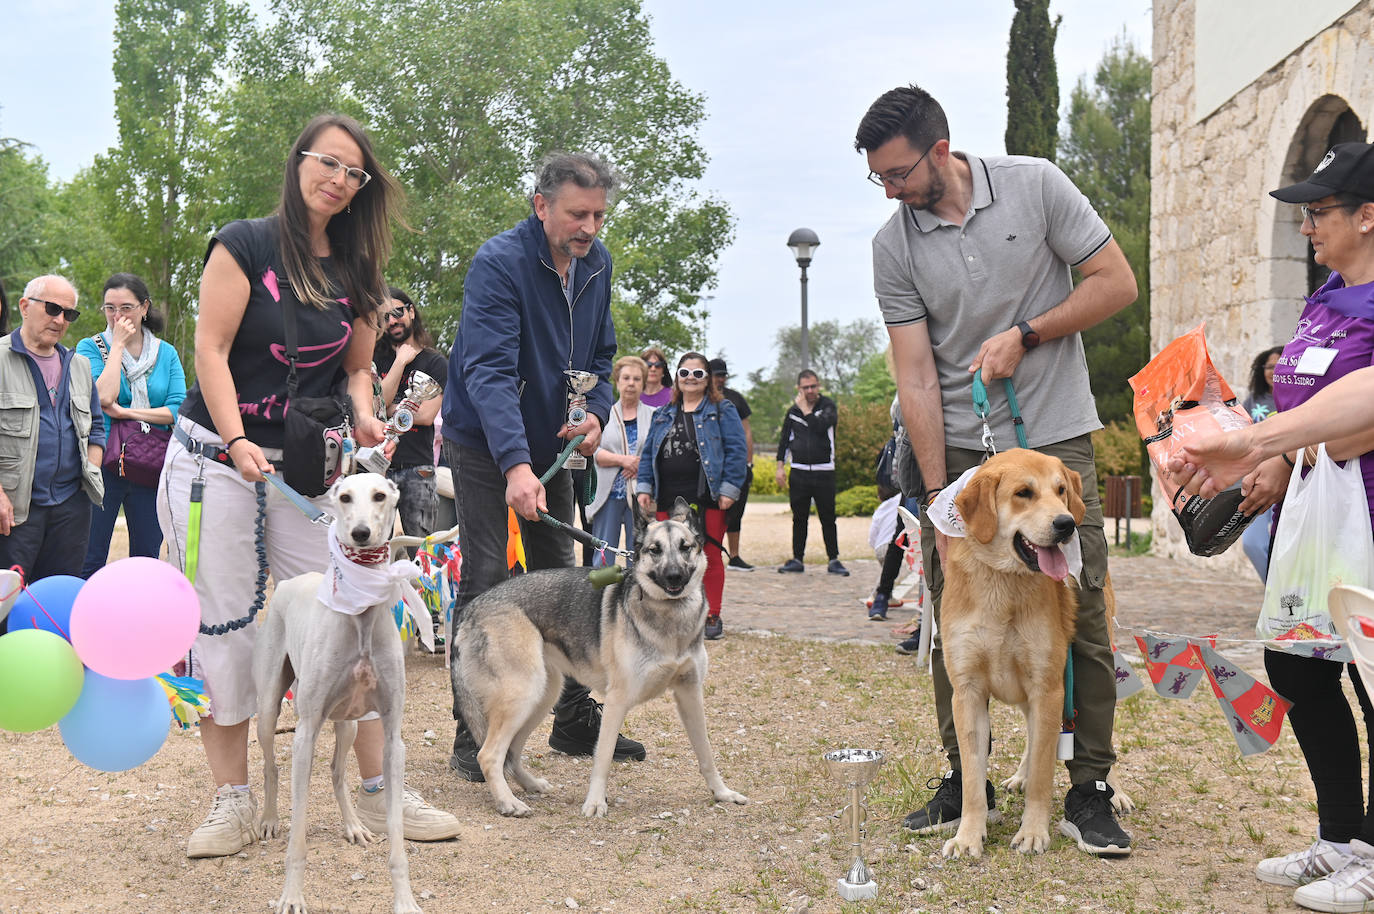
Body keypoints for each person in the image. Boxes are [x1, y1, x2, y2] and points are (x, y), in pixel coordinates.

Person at [156, 115, 458, 858]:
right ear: (299, 162)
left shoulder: (357, 272)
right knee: (224, 624)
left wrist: (362, 417)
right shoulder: (245, 244)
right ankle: (233, 800)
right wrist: (232, 439)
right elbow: (212, 349)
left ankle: (385, 783)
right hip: (214, 462)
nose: (341, 179)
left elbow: (357, 368)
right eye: (330, 162)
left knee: (352, 611)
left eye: (355, 173)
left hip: (304, 472)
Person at [855, 83, 1139, 854]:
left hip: (1054, 439)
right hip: (964, 455)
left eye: (899, 173)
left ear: (939, 151)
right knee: (956, 621)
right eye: (877, 177)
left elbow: (1117, 284)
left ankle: (1091, 789)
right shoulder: (894, 246)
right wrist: (936, 485)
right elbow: (915, 374)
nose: (890, 190)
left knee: (1078, 611)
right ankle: (963, 778)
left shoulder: (1037, 184)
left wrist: (1029, 333)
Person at [1179, 143, 1374, 914]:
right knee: (1298, 668)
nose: (1306, 227)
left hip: (1369, 521)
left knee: (1373, 679)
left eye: (1319, 212)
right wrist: (1278, 466)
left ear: (1368, 214)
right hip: (1314, 521)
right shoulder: (1328, 296)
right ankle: (1343, 837)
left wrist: (1263, 444)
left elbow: (1358, 420)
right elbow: (1300, 407)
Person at [443, 152, 646, 780]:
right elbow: (488, 371)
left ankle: (574, 718)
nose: (590, 227)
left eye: (599, 215)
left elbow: (603, 352)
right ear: (541, 205)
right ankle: (472, 733)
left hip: (555, 442)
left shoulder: (598, 263)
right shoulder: (498, 263)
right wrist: (514, 465)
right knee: (486, 575)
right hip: (485, 441)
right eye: (577, 213)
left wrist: (595, 414)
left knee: (567, 578)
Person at [0, 275, 105, 633]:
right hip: (15, 509)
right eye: (53, 309)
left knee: (56, 603)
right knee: (7, 603)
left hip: (71, 508)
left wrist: (90, 470)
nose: (60, 320)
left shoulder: (79, 366)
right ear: (25, 306)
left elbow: (98, 427)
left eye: (69, 314)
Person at [76, 273, 186, 576]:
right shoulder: (90, 347)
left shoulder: (167, 353)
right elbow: (101, 396)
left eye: (126, 307)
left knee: (147, 559)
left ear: (144, 308)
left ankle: (141, 621)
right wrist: (118, 347)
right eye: (109, 308)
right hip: (104, 464)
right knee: (90, 556)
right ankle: (81, 621)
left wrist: (126, 414)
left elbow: (177, 408)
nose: (117, 316)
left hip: (151, 465)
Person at [636, 352, 747, 640]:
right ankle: (672, 615)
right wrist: (645, 487)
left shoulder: (722, 410)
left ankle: (711, 614)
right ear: (676, 377)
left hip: (707, 495)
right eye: (684, 373)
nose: (690, 379)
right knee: (668, 556)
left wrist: (729, 490)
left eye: (698, 374)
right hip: (668, 495)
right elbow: (649, 453)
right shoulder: (663, 413)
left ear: (707, 377)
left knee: (707, 555)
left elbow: (737, 451)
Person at [373, 285, 447, 548]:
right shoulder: (376, 360)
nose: (392, 320)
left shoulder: (435, 363)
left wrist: (391, 408)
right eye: (385, 317)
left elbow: (427, 415)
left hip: (419, 469)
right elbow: (376, 405)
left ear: (411, 312)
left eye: (398, 312)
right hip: (378, 467)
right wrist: (400, 362)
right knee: (378, 548)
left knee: (422, 549)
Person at [774, 369, 848, 576]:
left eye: (813, 386)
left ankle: (834, 559)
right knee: (799, 517)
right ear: (799, 388)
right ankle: (797, 559)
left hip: (824, 471)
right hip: (799, 472)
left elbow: (820, 426)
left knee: (828, 517)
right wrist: (780, 467)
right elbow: (784, 441)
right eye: (805, 387)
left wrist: (806, 410)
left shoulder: (828, 407)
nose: (810, 391)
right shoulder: (792, 412)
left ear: (819, 385)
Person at [588, 355, 654, 565]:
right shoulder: (603, 415)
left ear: (643, 383)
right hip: (608, 495)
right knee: (603, 554)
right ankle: (601, 597)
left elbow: (657, 452)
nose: (631, 383)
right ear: (617, 381)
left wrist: (640, 466)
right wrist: (624, 460)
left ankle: (636, 596)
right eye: (626, 378)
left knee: (640, 553)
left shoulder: (655, 415)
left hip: (641, 495)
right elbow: (595, 452)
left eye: (636, 379)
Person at [1238, 345, 1284, 581]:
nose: (1274, 371)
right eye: (1269, 366)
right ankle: (1273, 590)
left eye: (1279, 365)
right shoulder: (1253, 401)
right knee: (1253, 543)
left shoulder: (1296, 398)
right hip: (1256, 480)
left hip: (1289, 478)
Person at [709, 358, 757, 571]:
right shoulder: (703, 398)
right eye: (716, 374)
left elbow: (747, 431)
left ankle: (735, 555)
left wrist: (749, 462)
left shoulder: (736, 399)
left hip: (736, 464)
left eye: (723, 375)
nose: (720, 379)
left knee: (735, 512)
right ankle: (713, 552)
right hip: (712, 465)